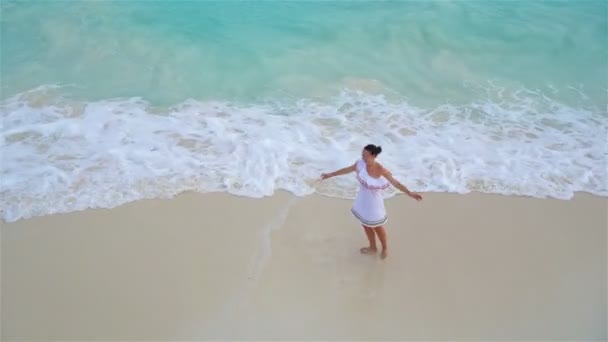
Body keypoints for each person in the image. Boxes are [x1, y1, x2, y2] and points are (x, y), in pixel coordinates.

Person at [320, 144, 422, 259]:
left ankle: (385, 248)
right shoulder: (360, 163)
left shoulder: (381, 169)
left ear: (373, 155)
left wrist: (410, 193)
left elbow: (396, 183)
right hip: (363, 199)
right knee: (365, 225)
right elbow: (347, 169)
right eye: (362, 155)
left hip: (374, 203)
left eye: (365, 156)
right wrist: (331, 174)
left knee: (378, 227)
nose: (363, 157)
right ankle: (372, 247)